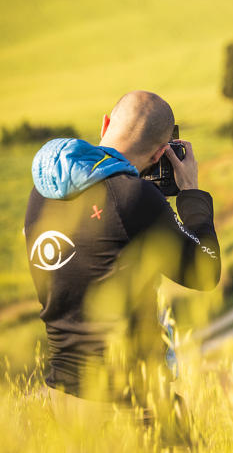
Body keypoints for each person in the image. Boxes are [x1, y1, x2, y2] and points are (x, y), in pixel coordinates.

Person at [24, 90, 221, 441]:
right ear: (163, 152)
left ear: (105, 124)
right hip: (132, 403)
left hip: (61, 399)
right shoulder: (133, 197)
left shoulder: (42, 190)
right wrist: (190, 191)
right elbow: (205, 272)